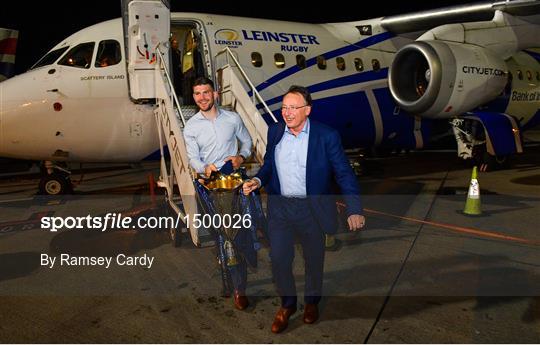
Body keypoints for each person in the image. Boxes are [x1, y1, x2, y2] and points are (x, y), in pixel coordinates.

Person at [243, 85, 365, 333]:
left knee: (313, 259)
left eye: (293, 108)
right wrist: (257, 180)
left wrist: (354, 209)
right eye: (284, 107)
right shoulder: (276, 131)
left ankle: (311, 301)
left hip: (312, 210)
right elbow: (268, 165)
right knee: (278, 259)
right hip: (280, 208)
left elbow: (344, 174)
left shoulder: (326, 136)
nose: (287, 113)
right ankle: (287, 304)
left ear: (307, 110)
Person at [183, 77, 253, 310]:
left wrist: (240, 157)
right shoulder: (191, 127)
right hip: (207, 187)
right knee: (218, 235)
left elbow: (247, 143)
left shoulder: (232, 119)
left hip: (233, 185)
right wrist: (205, 167)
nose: (202, 97)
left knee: (235, 235)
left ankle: (238, 289)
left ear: (216, 93)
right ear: (193, 97)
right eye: (197, 93)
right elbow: (193, 158)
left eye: (206, 92)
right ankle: (227, 279)